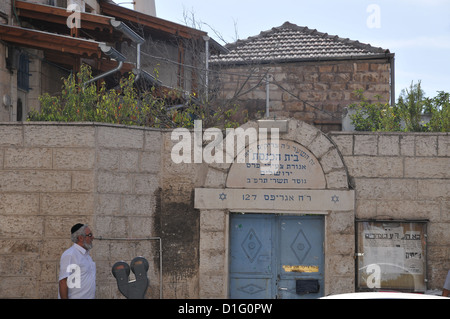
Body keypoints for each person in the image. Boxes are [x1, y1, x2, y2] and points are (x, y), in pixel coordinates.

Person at [58, 223, 96, 299]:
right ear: (81, 238)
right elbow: (63, 282)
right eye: (90, 235)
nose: (93, 237)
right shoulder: (70, 255)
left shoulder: (87, 256)